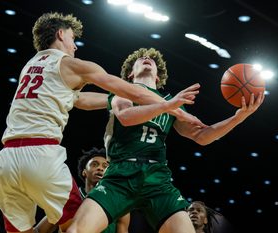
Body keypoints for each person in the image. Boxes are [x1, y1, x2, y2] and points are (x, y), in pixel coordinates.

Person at [0, 11, 202, 233]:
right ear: (61, 34)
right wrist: (176, 109)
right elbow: (133, 92)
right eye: (73, 39)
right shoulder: (72, 64)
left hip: (6, 161)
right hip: (40, 154)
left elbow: (81, 100)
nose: (75, 47)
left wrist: (115, 102)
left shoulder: (29, 66)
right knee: (78, 225)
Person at [65, 47, 264, 233]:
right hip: (120, 174)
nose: (146, 59)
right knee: (76, 230)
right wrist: (168, 106)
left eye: (151, 60)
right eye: (140, 59)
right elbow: (126, 117)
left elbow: (202, 136)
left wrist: (239, 118)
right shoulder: (123, 91)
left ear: (158, 76)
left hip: (157, 178)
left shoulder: (170, 100)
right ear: (130, 74)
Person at [35, 147, 129, 233]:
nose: (100, 168)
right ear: (84, 172)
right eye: (94, 164)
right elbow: (39, 231)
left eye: (105, 166)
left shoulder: (117, 201)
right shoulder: (67, 197)